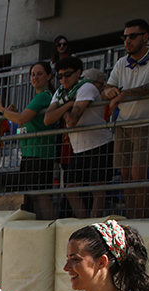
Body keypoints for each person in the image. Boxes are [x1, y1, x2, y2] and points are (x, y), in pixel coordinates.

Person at [103, 19, 149, 220]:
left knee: (138, 176)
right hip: (123, 123)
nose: (127, 41)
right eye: (125, 37)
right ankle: (131, 223)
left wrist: (125, 94)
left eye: (132, 36)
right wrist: (110, 92)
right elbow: (106, 88)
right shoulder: (121, 62)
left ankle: (143, 222)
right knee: (126, 178)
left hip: (147, 123)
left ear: (145, 37)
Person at [46, 57, 112, 219]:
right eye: (60, 76)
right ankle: (83, 223)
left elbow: (72, 121)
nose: (64, 80)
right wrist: (68, 105)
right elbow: (47, 119)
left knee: (98, 189)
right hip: (79, 148)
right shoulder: (61, 92)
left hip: (99, 144)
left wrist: (62, 108)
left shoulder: (86, 87)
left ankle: (95, 225)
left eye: (67, 75)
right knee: (71, 189)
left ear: (78, 73)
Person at [0, 61, 57, 219]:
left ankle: (50, 224)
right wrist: (12, 115)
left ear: (49, 76)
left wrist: (1, 110)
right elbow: (23, 123)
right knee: (34, 195)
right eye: (33, 74)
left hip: (39, 153)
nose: (35, 77)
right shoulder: (38, 97)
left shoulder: (44, 96)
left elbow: (22, 119)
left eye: (39, 73)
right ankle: (42, 225)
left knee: (41, 195)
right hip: (31, 153)